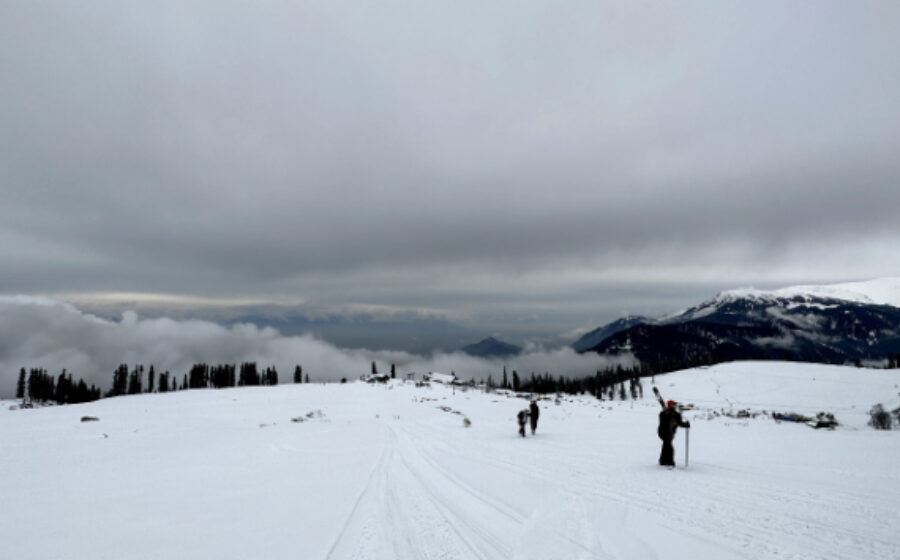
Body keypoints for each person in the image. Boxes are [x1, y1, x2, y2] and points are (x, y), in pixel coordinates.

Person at [658, 400, 690, 467]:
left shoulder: (675, 414)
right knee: (669, 448)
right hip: (664, 432)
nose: (675, 406)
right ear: (670, 406)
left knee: (666, 446)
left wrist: (686, 424)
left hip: (670, 433)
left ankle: (663, 461)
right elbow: (663, 422)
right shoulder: (664, 414)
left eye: (675, 405)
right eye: (673, 405)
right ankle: (670, 462)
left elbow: (679, 423)